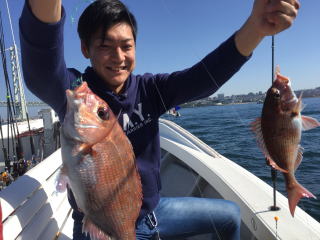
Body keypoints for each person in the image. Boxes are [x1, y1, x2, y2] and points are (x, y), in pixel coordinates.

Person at [19, 0, 299, 239]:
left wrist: (256, 28)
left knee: (230, 216)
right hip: (102, 222)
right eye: (105, 46)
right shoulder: (77, 95)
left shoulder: (149, 89)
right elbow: (42, 67)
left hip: (155, 213)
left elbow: (202, 78)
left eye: (126, 46)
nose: (119, 57)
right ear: (85, 49)